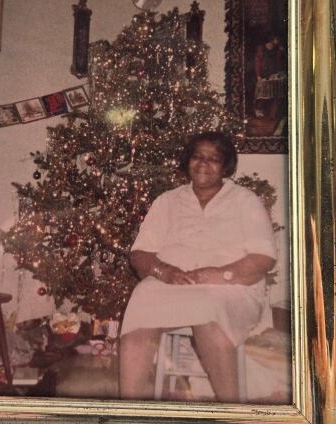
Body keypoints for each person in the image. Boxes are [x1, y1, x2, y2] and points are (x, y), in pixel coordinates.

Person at [119, 131, 277, 402]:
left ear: (225, 166)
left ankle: (232, 412)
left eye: (213, 159)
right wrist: (164, 272)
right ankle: (128, 409)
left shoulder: (244, 200)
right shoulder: (168, 201)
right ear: (188, 162)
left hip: (231, 286)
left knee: (209, 310)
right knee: (142, 297)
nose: (203, 164)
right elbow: (140, 253)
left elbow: (263, 258)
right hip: (173, 282)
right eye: (197, 157)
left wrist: (221, 274)